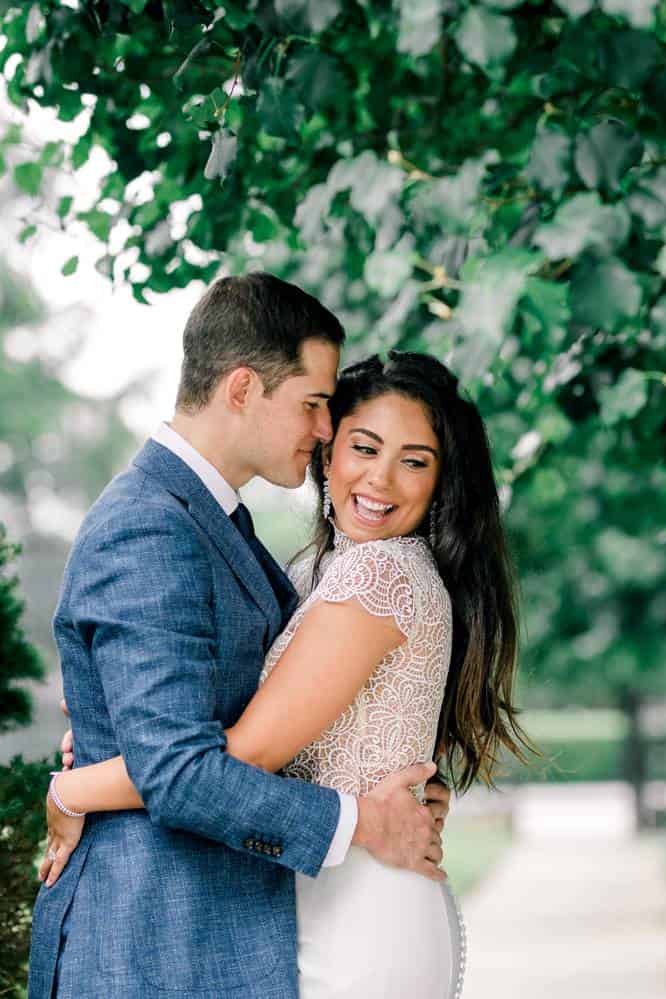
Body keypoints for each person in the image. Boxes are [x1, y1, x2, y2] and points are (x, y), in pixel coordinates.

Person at [39, 350, 531, 998]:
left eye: (414, 460)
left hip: (358, 908)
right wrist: (116, 728)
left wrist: (77, 788)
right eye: (364, 447)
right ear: (328, 452)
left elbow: (247, 749)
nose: (380, 478)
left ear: (441, 483)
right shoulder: (319, 577)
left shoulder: (377, 576)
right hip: (323, 891)